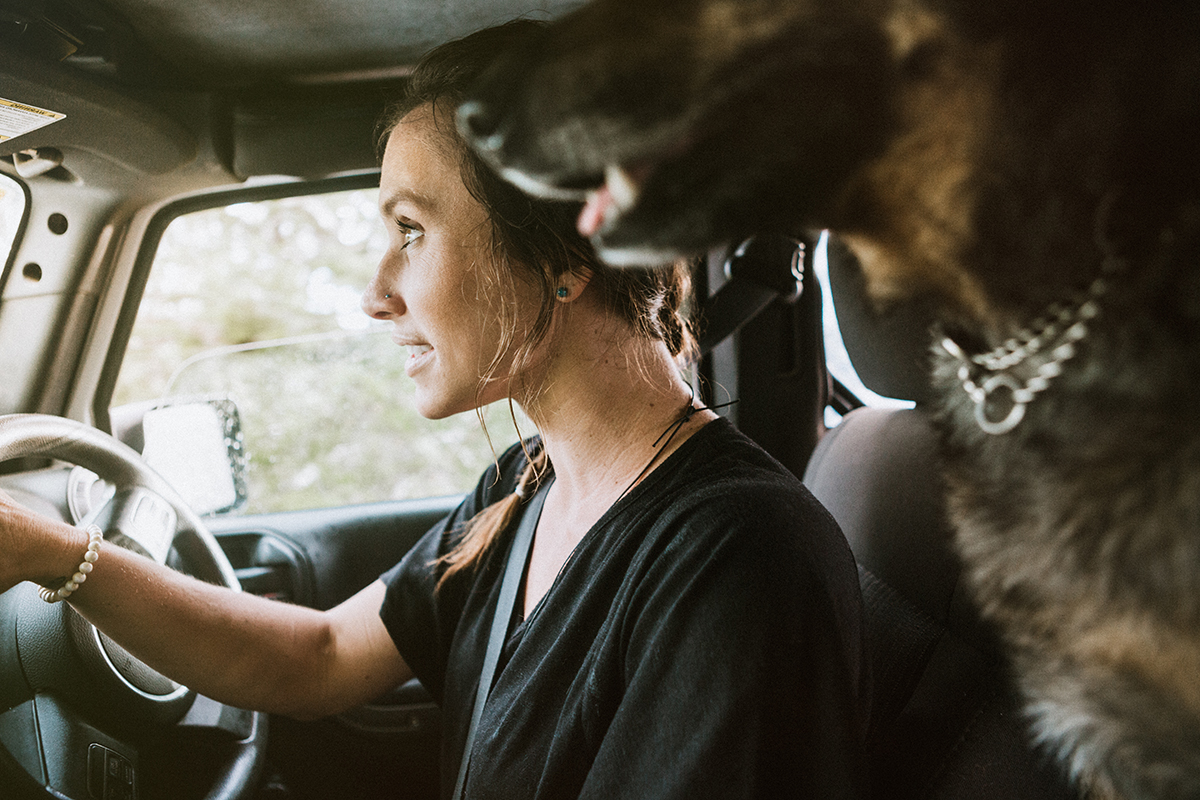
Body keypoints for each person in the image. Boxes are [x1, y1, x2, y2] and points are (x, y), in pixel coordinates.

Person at [0, 20, 866, 800]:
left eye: (411, 231)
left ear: (566, 256)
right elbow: (322, 658)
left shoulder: (740, 557)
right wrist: (57, 551)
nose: (375, 294)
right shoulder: (522, 487)